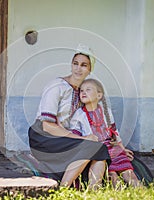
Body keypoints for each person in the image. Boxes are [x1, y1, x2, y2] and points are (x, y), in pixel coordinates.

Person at [28, 44, 111, 188]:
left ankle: (93, 192)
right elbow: (47, 126)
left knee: (100, 148)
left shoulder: (83, 92)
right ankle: (64, 189)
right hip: (43, 137)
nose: (78, 68)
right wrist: (82, 139)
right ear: (71, 66)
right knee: (89, 147)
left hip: (64, 136)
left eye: (84, 65)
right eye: (75, 64)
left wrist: (116, 144)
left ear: (90, 69)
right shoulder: (57, 86)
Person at [70, 78, 141, 187]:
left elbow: (114, 131)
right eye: (81, 90)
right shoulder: (79, 115)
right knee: (112, 175)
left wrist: (122, 148)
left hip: (111, 146)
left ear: (99, 95)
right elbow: (75, 136)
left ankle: (141, 191)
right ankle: (115, 191)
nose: (83, 92)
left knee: (127, 171)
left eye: (88, 90)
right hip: (95, 148)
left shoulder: (106, 111)